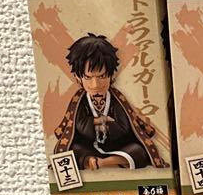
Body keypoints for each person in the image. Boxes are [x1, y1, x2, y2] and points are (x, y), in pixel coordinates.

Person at [54, 33, 165, 170]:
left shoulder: (117, 99)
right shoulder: (79, 101)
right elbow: (79, 124)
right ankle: (90, 160)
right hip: (88, 145)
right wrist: (101, 120)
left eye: (102, 76)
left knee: (138, 150)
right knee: (73, 150)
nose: (95, 84)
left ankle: (102, 163)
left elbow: (124, 126)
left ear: (111, 75)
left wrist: (105, 128)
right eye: (88, 77)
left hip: (117, 145)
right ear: (78, 77)